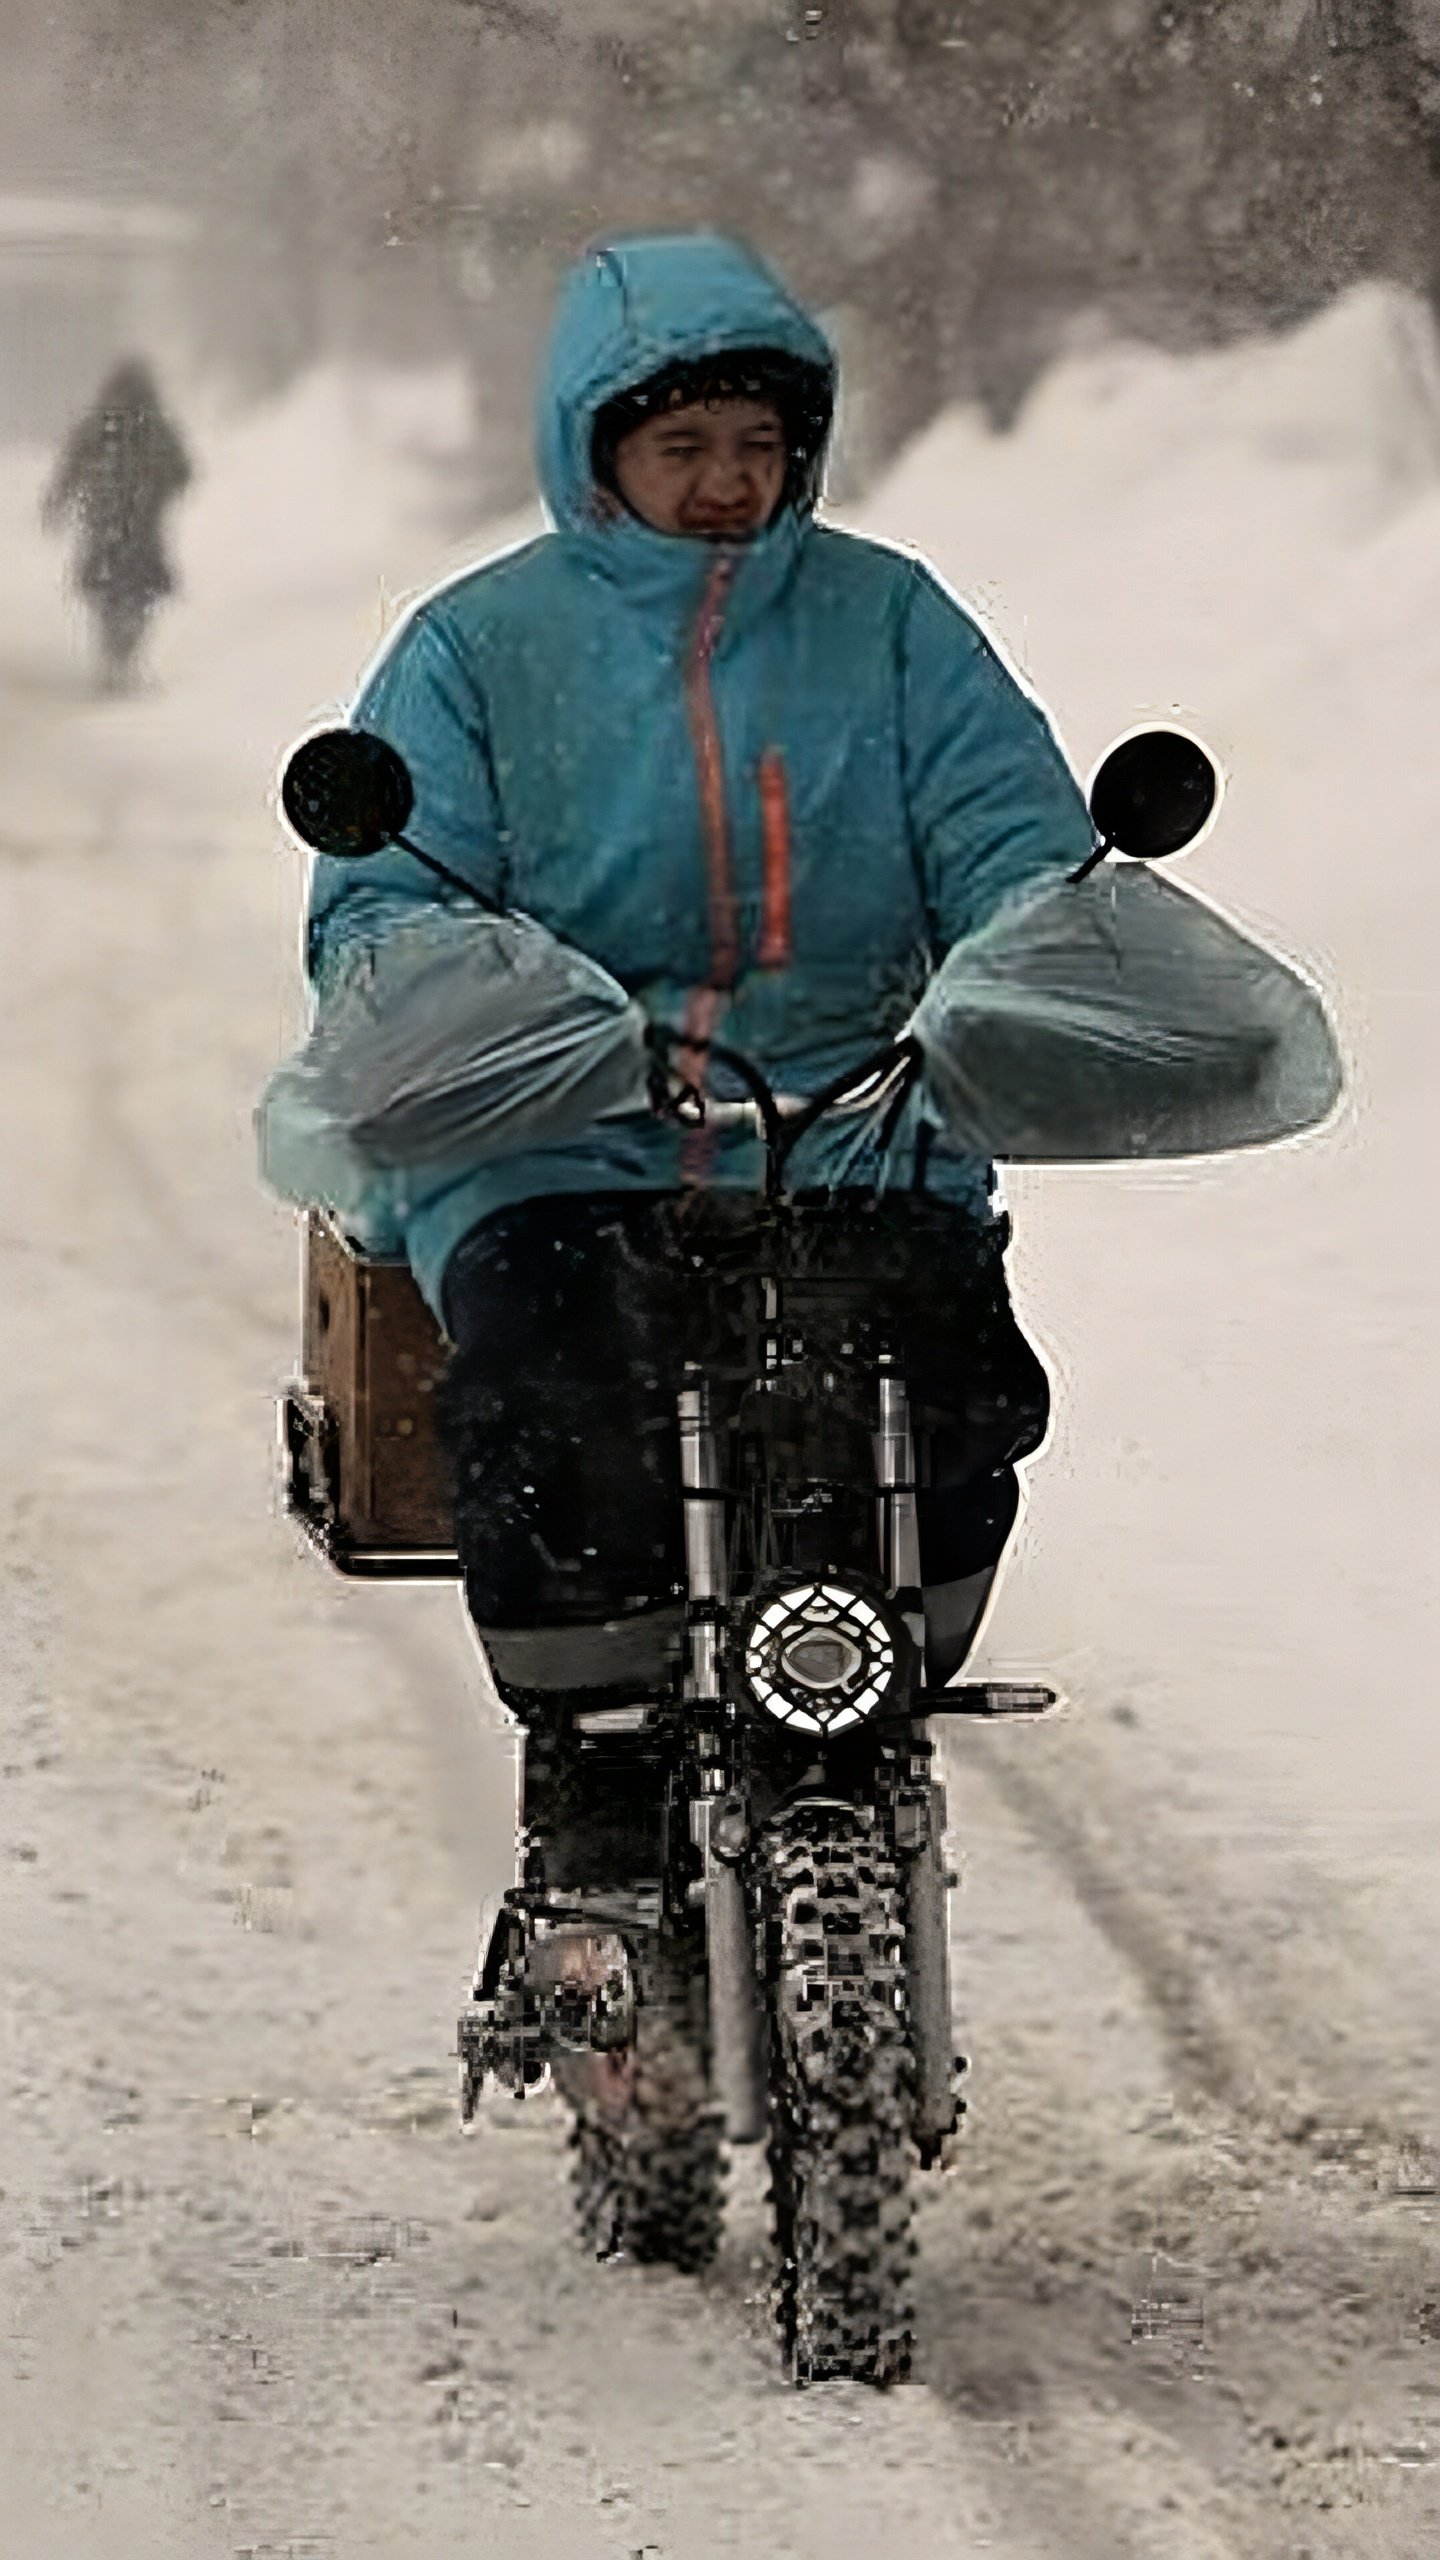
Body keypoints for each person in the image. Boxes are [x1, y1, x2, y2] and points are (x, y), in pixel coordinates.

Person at [305, 232, 1094, 1872]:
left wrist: (1038, 953)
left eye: (758, 444)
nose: (729, 481)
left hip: (856, 1122)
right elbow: (383, 907)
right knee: (551, 1402)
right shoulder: (475, 646)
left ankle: (873, 1682)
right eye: (684, 448)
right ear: (598, 454)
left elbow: (1010, 830)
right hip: (565, 1141)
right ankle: (595, 1803)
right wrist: (510, 1017)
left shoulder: (892, 625)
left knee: (961, 1388)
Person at [41, 358, 192, 691]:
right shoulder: (154, 427)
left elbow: (71, 465)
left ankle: (116, 659)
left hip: (107, 526)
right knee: (135, 593)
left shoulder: (101, 425)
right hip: (137, 529)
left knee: (110, 591)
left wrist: (59, 501)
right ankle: (123, 659)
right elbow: (183, 471)